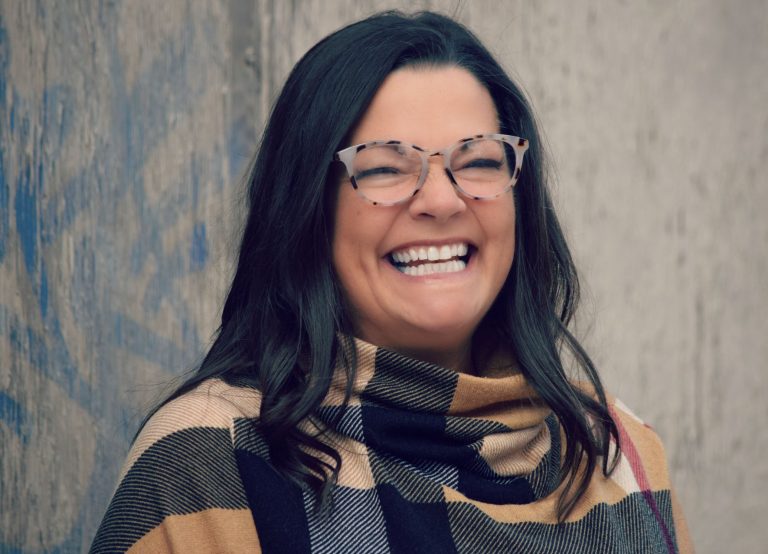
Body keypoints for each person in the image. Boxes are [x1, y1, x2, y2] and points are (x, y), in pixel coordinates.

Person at [91, 10, 692, 553]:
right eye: (383, 168)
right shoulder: (208, 459)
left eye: (480, 161)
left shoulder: (619, 453)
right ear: (308, 209)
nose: (441, 200)